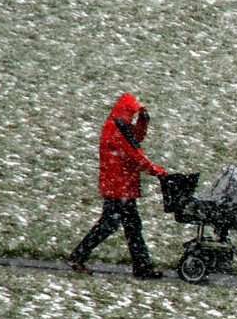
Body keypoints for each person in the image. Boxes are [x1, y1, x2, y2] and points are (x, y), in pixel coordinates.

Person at [68, 93, 168, 278]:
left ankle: (141, 267)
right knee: (116, 226)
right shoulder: (117, 129)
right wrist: (156, 170)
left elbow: (135, 138)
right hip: (119, 188)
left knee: (126, 226)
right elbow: (134, 153)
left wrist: (143, 121)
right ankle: (80, 256)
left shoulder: (115, 126)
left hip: (118, 187)